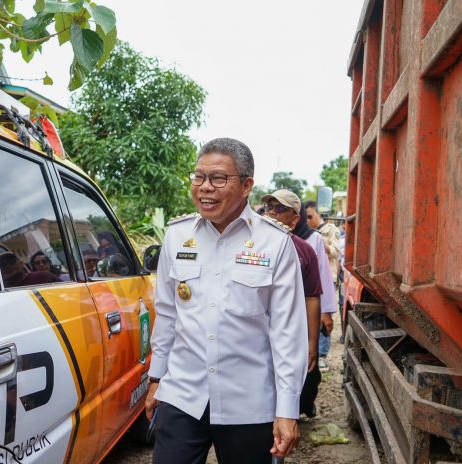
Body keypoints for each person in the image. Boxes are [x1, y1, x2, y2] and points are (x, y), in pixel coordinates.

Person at [146, 138, 307, 464]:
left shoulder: (274, 244)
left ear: (247, 185)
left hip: (248, 403)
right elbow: (166, 313)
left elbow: (288, 333)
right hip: (182, 396)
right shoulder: (177, 236)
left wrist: (287, 410)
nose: (205, 188)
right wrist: (155, 379)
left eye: (219, 178)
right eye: (198, 177)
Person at [261, 190, 323, 418]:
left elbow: (312, 297)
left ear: (295, 219)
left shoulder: (304, 250)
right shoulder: (247, 247)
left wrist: (312, 343)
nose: (271, 213)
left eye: (279, 209)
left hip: (289, 332)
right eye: (268, 207)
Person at [304, 200, 342, 364]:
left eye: (310, 216)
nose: (307, 220)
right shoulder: (304, 232)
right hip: (311, 278)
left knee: (324, 314)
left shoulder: (330, 230)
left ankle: (322, 355)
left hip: (328, 277)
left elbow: (336, 251)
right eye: (305, 217)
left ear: (318, 214)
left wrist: (319, 243)